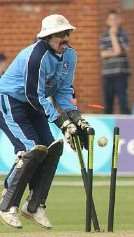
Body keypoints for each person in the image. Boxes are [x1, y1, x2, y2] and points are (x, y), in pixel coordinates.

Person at [0, 14, 92, 229]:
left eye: (68, 34)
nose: (66, 39)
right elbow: (34, 95)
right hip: (11, 101)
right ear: (48, 37)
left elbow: (62, 91)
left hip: (35, 104)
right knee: (30, 149)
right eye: (61, 35)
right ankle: (7, 205)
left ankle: (34, 205)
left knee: (51, 149)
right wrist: (62, 123)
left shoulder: (70, 56)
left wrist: (75, 119)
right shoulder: (36, 56)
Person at [99, 10, 130, 114]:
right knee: (108, 101)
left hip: (121, 73)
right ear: (107, 22)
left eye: (115, 19)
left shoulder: (123, 34)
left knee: (123, 100)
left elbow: (122, 50)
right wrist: (115, 52)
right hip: (108, 73)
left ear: (120, 20)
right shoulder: (103, 36)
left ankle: (127, 124)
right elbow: (103, 54)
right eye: (111, 19)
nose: (113, 22)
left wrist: (113, 36)